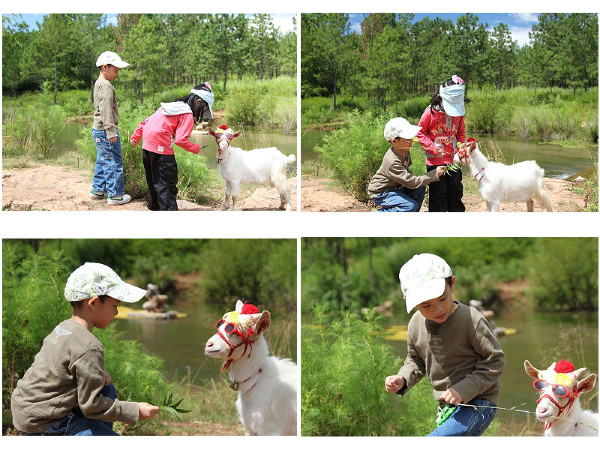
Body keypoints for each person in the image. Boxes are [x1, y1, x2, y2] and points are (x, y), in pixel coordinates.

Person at [10, 262, 160, 435]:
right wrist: (136, 411)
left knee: (106, 387)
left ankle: (96, 430)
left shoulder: (63, 327)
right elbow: (91, 406)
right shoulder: (90, 346)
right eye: (114, 305)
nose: (117, 313)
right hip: (45, 421)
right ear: (94, 303)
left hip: (24, 410)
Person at [384, 253, 505, 436]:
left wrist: (463, 389)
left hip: (479, 402)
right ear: (410, 302)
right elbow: (415, 360)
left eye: (442, 299)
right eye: (426, 305)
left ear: (452, 284)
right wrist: (403, 378)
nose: (438, 309)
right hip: (447, 406)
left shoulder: (471, 320)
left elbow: (495, 361)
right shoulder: (416, 324)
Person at [130, 83, 214, 211]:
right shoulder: (187, 114)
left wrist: (135, 137)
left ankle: (154, 208)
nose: (203, 112)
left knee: (154, 182)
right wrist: (197, 148)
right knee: (167, 185)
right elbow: (181, 140)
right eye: (205, 108)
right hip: (161, 150)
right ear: (198, 102)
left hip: (147, 146)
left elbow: (146, 122)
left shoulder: (171, 106)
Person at [368, 117, 446, 212]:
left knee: (420, 188)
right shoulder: (392, 161)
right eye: (407, 138)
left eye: (411, 137)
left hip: (394, 188)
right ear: (394, 141)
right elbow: (411, 182)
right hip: (380, 192)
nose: (411, 141)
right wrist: (434, 174)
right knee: (409, 206)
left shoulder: (404, 150)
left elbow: (407, 173)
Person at [416, 75, 467, 212]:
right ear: (440, 97)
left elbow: (460, 133)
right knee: (438, 196)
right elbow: (420, 132)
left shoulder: (458, 114)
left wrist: (461, 148)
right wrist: (432, 147)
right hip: (435, 162)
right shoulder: (430, 112)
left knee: (456, 194)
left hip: (453, 160)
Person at [89, 51, 132, 206]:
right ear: (105, 67)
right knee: (113, 161)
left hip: (98, 129)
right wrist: (111, 130)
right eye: (116, 70)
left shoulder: (99, 83)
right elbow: (106, 109)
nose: (117, 74)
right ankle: (115, 195)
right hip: (105, 130)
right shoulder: (106, 86)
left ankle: (98, 189)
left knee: (103, 159)